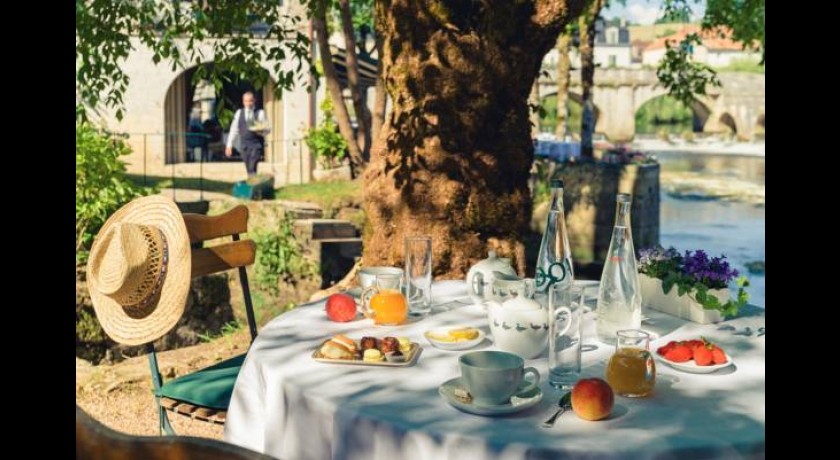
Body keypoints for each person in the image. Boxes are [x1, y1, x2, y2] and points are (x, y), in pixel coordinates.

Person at [225, 91, 270, 176]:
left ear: (254, 101)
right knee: (249, 168)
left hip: (256, 145)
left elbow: (268, 129)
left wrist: (260, 132)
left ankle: (251, 185)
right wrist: (229, 145)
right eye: (246, 101)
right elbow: (234, 130)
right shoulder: (239, 113)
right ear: (243, 101)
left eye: (250, 101)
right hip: (244, 146)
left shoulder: (260, 113)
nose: (248, 103)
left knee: (252, 166)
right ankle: (254, 183)